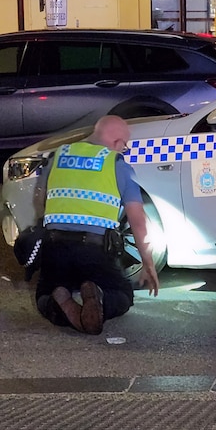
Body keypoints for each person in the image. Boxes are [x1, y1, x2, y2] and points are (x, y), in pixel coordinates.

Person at [34, 115, 160, 335]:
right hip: (95, 251)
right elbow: (137, 220)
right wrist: (148, 263)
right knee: (122, 295)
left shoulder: (58, 156)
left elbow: (41, 202)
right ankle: (100, 300)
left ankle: (58, 300)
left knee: (43, 294)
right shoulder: (117, 164)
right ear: (117, 143)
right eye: (125, 146)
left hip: (54, 247)